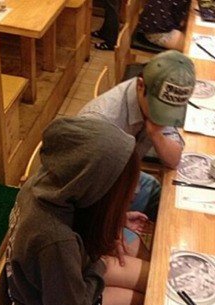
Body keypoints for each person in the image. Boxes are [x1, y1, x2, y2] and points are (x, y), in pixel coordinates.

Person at [6, 117, 150, 305]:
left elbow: (76, 218)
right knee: (151, 303)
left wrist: (115, 218)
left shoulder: (45, 185)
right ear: (96, 188)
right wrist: (99, 266)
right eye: (126, 188)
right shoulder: (54, 239)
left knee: (155, 281)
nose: (136, 191)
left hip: (64, 277)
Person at [78, 50, 195, 254]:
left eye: (169, 113)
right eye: (160, 110)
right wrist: (115, 223)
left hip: (122, 182)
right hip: (91, 205)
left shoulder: (158, 98)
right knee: (148, 262)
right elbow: (82, 197)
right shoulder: (101, 125)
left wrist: (156, 134)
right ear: (140, 85)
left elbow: (173, 160)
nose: (163, 119)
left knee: (170, 203)